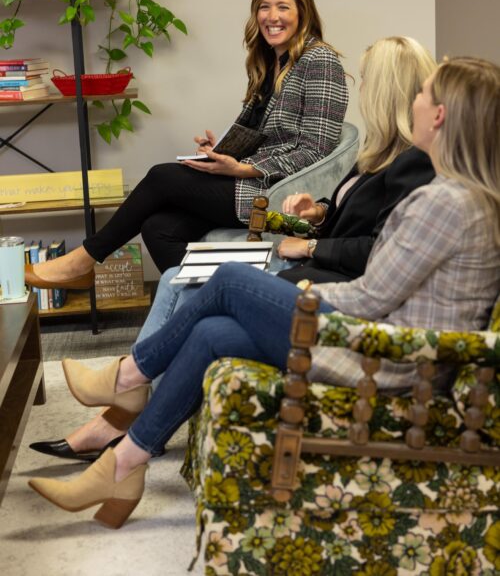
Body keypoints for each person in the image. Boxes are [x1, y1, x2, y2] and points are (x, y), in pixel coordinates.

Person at [28, 56, 500, 528]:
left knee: (233, 281)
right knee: (213, 330)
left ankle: (126, 379)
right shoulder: (460, 194)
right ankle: (125, 465)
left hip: (389, 357)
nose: (415, 99)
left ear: (437, 115)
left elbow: (373, 298)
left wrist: (301, 290)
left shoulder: (444, 202)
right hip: (387, 344)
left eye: (424, 93)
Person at [25, 0, 347, 286]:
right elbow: (264, 134)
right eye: (264, 6)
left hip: (276, 193)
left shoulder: (319, 60)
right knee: (158, 227)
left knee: (161, 177)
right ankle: (214, 302)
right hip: (250, 179)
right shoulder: (269, 63)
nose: (271, 16)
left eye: (283, 7)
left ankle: (85, 259)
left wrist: (244, 169)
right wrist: (220, 149)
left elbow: (315, 149)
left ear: (302, 12)